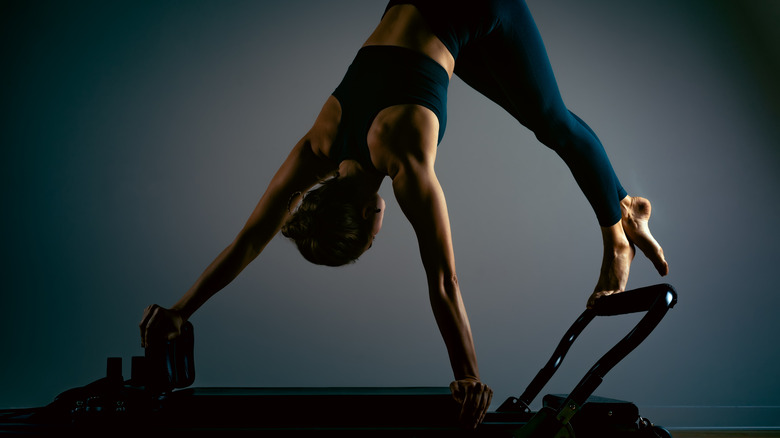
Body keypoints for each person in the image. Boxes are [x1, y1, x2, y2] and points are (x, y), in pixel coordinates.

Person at [139, 0, 669, 430]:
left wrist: (468, 377)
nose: (378, 238)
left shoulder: (406, 159)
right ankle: (621, 210)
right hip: (438, 16)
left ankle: (624, 219)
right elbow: (249, 239)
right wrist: (181, 309)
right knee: (539, 118)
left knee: (553, 121)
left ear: (367, 217)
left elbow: (443, 280)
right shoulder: (323, 142)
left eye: (368, 242)